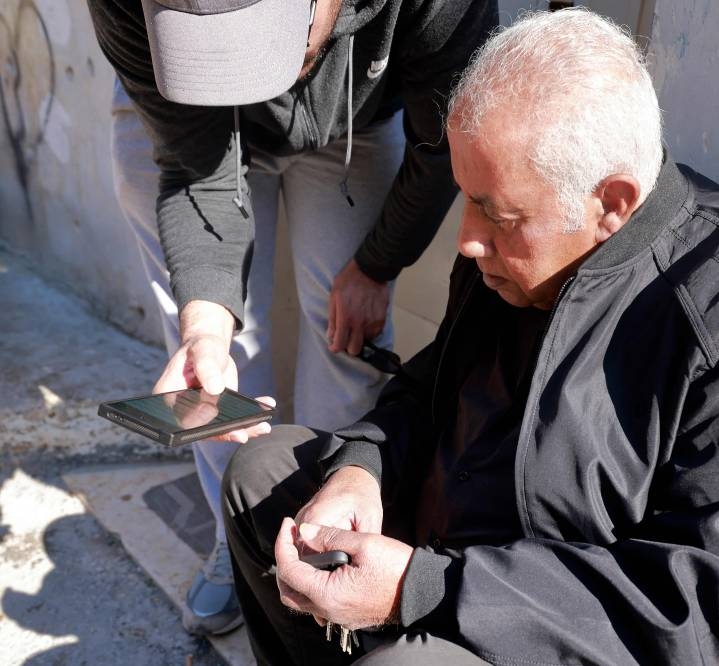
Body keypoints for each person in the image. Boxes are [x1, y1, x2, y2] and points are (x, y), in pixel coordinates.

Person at [223, 8, 719, 665]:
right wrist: (361, 469)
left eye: (495, 213)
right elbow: (429, 390)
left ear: (610, 203)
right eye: (467, 198)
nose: (467, 240)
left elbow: (712, 611)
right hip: (454, 563)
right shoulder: (511, 259)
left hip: (574, 637)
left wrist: (422, 590)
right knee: (265, 477)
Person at [89, 0, 498, 636]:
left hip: (354, 122)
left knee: (348, 341)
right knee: (217, 368)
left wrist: (377, 266)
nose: (235, 65)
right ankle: (243, 534)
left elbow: (443, 134)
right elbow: (196, 171)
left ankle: (327, 536)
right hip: (193, 139)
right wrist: (206, 328)